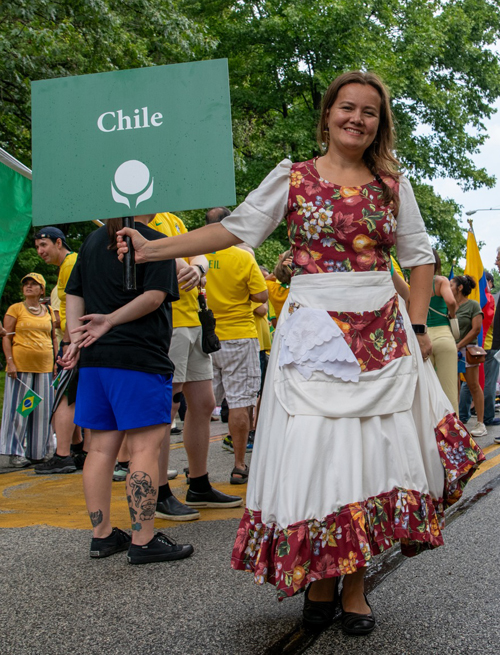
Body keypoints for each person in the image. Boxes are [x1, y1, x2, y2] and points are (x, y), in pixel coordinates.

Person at [116, 71, 484, 634]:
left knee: (373, 455)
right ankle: (320, 579)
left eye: (368, 111)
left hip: (382, 334)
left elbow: (420, 255)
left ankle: (355, 586)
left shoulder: (393, 185)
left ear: (379, 123)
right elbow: (235, 230)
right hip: (313, 335)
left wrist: (413, 325)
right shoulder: (292, 177)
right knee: (317, 456)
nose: (356, 118)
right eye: (347, 107)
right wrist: (154, 249)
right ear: (328, 114)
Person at [60, 215, 193, 564]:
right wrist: (111, 321)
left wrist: (76, 340)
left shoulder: (91, 241)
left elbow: (74, 293)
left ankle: (101, 536)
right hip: (139, 357)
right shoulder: (156, 241)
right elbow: (154, 298)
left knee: (100, 450)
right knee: (144, 448)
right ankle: (143, 539)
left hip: (95, 359)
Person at [149, 211, 243, 519]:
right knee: (168, 407)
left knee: (203, 403)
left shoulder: (172, 219)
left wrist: (198, 267)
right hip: (168, 321)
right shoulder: (135, 218)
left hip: (193, 319)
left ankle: (199, 484)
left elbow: (197, 253)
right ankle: (159, 492)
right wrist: (185, 263)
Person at [204, 207, 268, 483]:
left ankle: (198, 468)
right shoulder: (243, 256)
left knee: (201, 407)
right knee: (241, 402)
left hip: (204, 337)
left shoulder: (195, 256)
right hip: (239, 335)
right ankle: (239, 465)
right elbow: (261, 295)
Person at [33, 227, 83, 474]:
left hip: (77, 342)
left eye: (44, 246)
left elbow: (78, 305)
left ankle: (63, 455)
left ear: (59, 242)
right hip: (76, 341)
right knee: (73, 396)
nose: (41, 252)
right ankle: (78, 450)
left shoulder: (72, 263)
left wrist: (69, 345)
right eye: (37, 247)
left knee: (64, 397)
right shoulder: (67, 266)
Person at [1, 273, 57, 466]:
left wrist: (56, 362)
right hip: (22, 366)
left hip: (45, 367)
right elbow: (6, 336)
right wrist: (10, 362)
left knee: (42, 409)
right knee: (21, 409)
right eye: (26, 284)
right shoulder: (15, 308)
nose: (29, 287)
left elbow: (53, 337)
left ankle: (39, 452)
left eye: (34, 284)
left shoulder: (48, 310)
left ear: (42, 290)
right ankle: (12, 452)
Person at [450, 274, 487, 437]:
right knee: (453, 387)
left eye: (451, 284)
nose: (448, 287)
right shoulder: (448, 305)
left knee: (473, 386)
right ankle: (455, 421)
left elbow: (476, 330)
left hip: (467, 351)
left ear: (459, 288)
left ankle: (480, 423)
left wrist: (459, 345)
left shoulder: (473, 305)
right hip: (451, 351)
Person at [426, 249, 459, 413]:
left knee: (427, 393)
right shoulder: (441, 281)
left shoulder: (415, 282)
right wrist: (451, 315)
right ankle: (453, 435)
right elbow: (450, 301)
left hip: (423, 337)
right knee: (449, 390)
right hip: (443, 336)